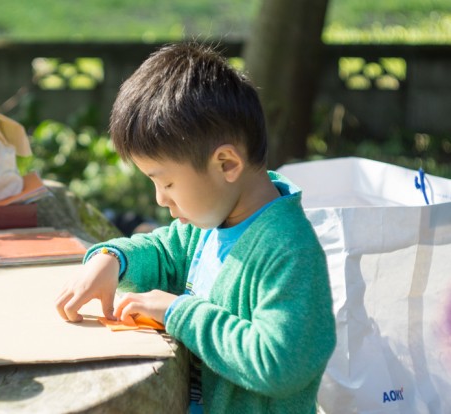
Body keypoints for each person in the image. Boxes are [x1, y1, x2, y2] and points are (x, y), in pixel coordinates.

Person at [55, 42, 336, 413]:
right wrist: (112, 259)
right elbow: (163, 251)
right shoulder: (209, 224)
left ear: (226, 164)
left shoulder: (288, 251)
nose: (160, 199)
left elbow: (277, 365)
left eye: (167, 183)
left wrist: (178, 312)